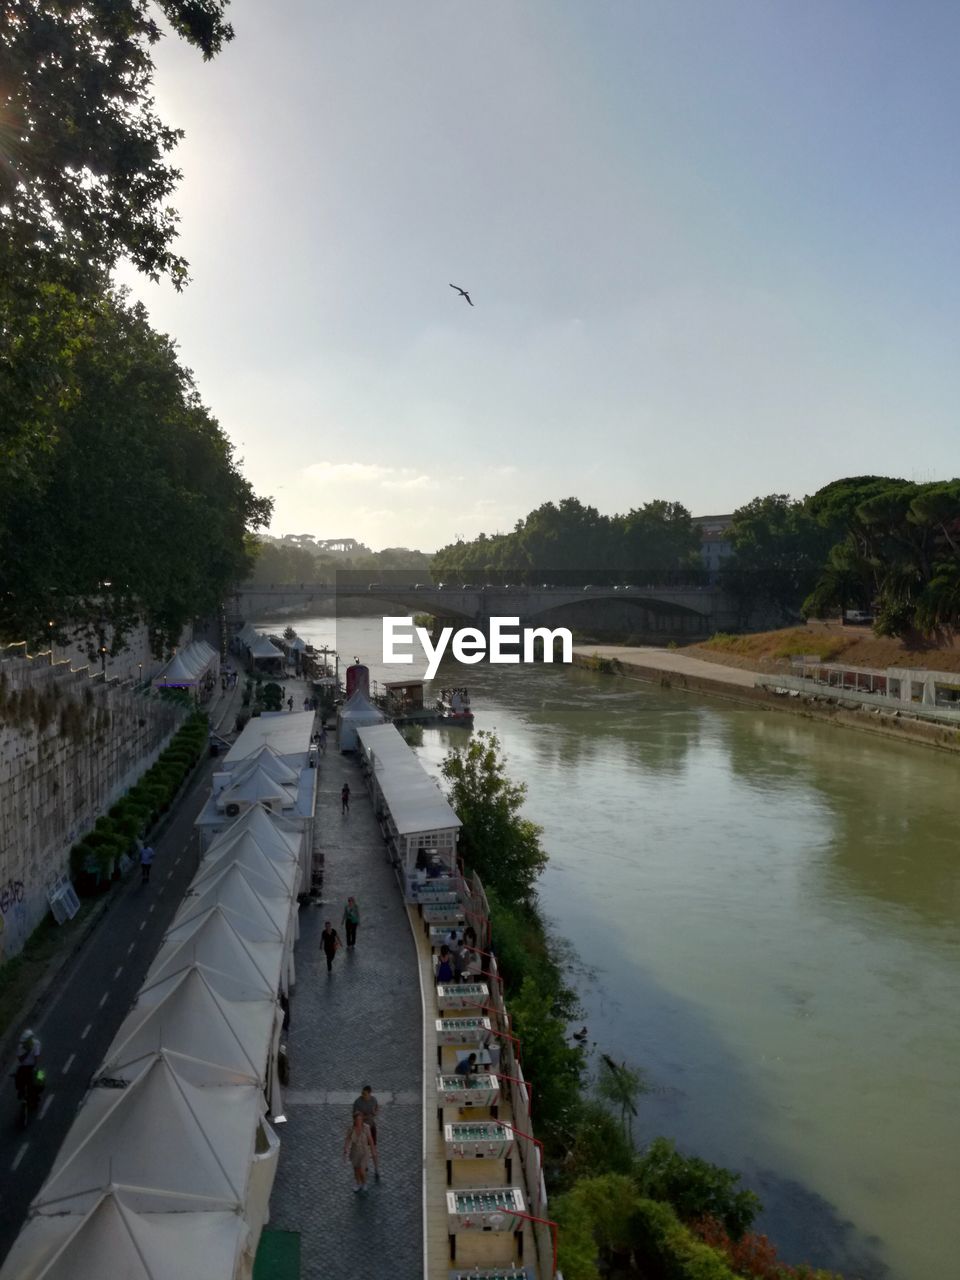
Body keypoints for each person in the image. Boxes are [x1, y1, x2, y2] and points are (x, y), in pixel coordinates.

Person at [343, 1110, 376, 1192]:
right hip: (354, 1152)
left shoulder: (366, 1128)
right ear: (354, 1120)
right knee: (356, 1170)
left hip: (364, 1152)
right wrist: (346, 1149)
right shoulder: (351, 1129)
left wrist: (373, 1151)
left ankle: (364, 1183)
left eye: (360, 1119)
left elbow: (370, 1140)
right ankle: (358, 1183)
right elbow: (347, 1139)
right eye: (357, 1119)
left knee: (361, 1169)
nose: (358, 1121)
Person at [352, 1085, 380, 1156]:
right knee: (360, 1144)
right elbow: (355, 1116)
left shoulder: (373, 1100)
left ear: (370, 1093)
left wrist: (375, 1112)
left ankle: (371, 1154)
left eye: (365, 1094)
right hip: (361, 1127)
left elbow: (377, 1108)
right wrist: (366, 1116)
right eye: (362, 1093)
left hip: (371, 1125)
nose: (362, 1095)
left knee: (372, 1143)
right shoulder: (358, 1102)